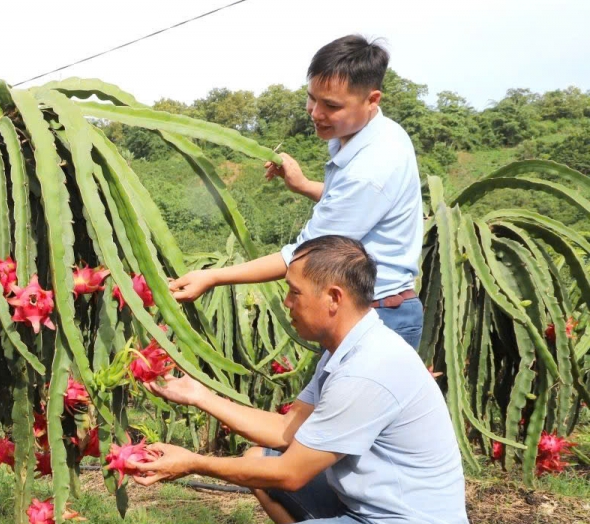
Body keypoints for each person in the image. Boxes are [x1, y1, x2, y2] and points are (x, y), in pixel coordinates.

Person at [138, 236, 473, 524]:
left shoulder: (369, 370)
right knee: (257, 458)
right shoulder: (349, 348)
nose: (286, 302)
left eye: (294, 292)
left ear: (333, 297)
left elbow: (291, 473)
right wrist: (198, 394)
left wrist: (194, 464)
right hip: (373, 517)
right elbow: (285, 431)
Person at [169, 35, 425, 348]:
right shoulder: (379, 132)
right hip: (366, 312)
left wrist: (212, 277)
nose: (315, 113)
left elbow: (306, 255)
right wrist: (303, 185)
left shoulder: (372, 167)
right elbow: (357, 207)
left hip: (379, 320)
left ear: (372, 100)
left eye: (331, 106)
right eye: (311, 98)